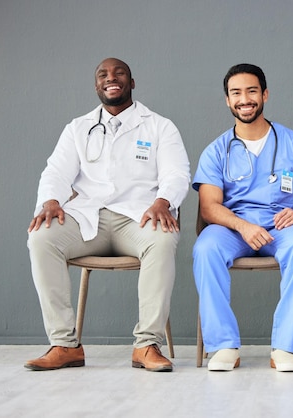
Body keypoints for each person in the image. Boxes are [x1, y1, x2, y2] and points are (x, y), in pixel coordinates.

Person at [26, 58, 190, 372]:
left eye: (119, 73)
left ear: (132, 82)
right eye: (103, 74)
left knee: (163, 238)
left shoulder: (159, 125)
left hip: (139, 217)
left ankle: (146, 345)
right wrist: (49, 201)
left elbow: (177, 173)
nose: (111, 78)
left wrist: (163, 202)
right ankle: (65, 344)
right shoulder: (78, 127)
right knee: (41, 237)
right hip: (88, 218)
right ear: (97, 84)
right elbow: (56, 172)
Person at [192, 63, 293, 372]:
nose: (244, 99)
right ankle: (224, 346)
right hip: (233, 227)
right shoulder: (216, 150)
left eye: (251, 91)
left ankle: (285, 348)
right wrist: (243, 225)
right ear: (227, 100)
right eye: (236, 93)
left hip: (282, 225)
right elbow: (209, 207)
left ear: (264, 94)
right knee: (205, 248)